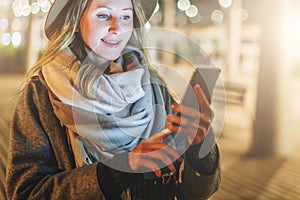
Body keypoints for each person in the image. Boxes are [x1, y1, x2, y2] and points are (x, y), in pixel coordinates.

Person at [6, 0, 221, 199]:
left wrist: (200, 146)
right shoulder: (42, 94)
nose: (117, 27)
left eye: (126, 17)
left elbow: (193, 193)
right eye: (103, 15)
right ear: (76, 21)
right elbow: (25, 191)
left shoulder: (153, 86)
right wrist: (117, 171)